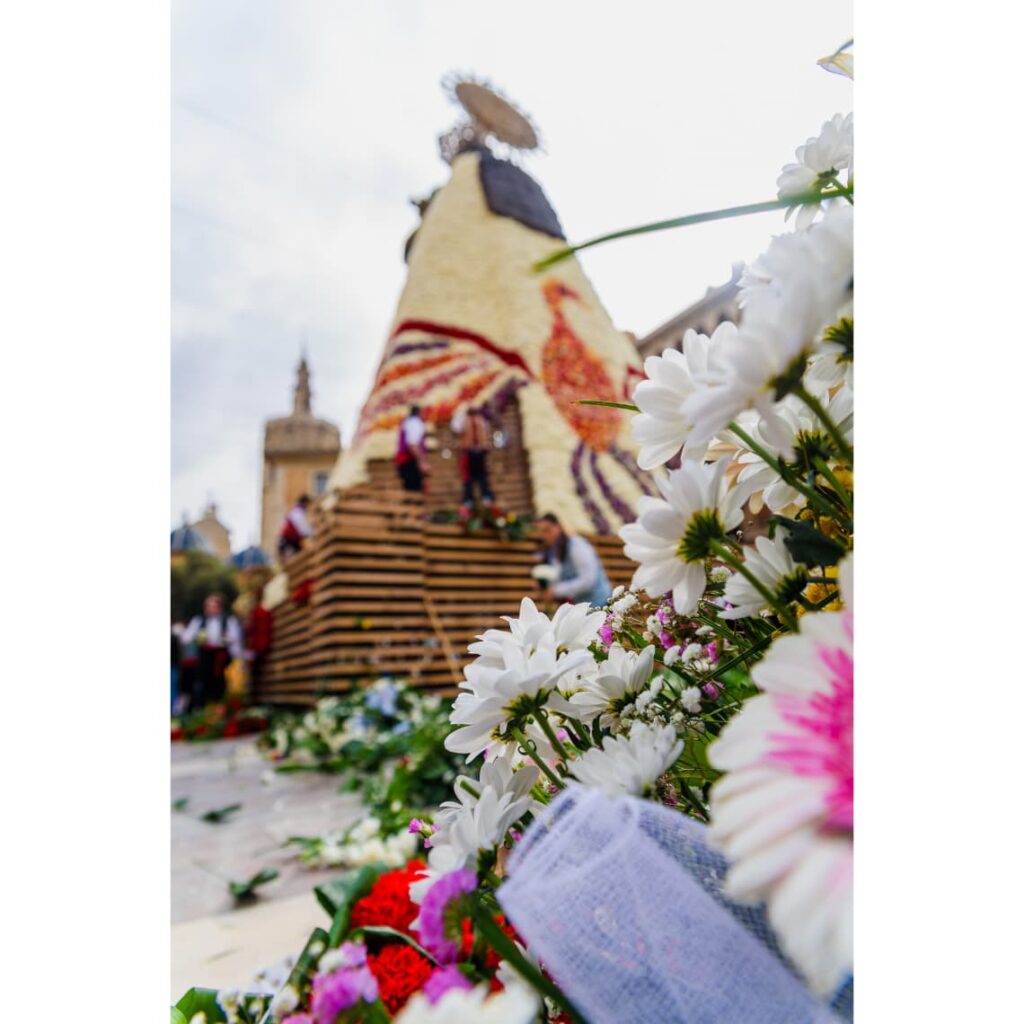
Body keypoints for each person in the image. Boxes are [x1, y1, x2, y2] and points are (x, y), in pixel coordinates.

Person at [536, 512, 613, 607]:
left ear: (559, 527)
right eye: (541, 532)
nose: (544, 536)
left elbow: (588, 580)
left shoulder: (576, 546)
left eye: (547, 530)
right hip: (583, 608)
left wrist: (556, 590)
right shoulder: (555, 552)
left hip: (602, 604)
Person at [181, 593, 243, 708]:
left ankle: (220, 706)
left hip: (221, 657)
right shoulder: (198, 620)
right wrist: (197, 638)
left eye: (213, 606)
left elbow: (236, 638)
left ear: (219, 608)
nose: (210, 609)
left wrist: (226, 639)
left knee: (220, 682)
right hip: (204, 657)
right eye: (208, 606)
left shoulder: (228, 620)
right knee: (202, 684)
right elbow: (186, 638)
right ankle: (202, 709)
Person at [456, 405, 495, 510]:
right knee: (472, 477)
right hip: (471, 452)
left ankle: (483, 498)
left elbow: (486, 436)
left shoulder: (478, 421)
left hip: (477, 452)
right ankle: (472, 499)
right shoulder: (468, 422)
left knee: (479, 476)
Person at [395, 404, 430, 493]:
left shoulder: (408, 422)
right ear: (418, 413)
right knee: (414, 492)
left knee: (411, 490)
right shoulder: (415, 423)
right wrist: (422, 462)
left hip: (405, 461)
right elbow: (412, 444)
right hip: (409, 461)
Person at [244, 585, 273, 692]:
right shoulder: (262, 611)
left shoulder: (258, 612)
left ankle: (254, 695)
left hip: (257, 646)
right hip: (261, 645)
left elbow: (253, 630)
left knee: (255, 674)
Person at [278, 494, 313, 561]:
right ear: (306, 503)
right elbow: (304, 530)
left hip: (289, 541)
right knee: (296, 559)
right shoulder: (298, 512)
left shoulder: (295, 511)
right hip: (289, 542)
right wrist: (314, 533)